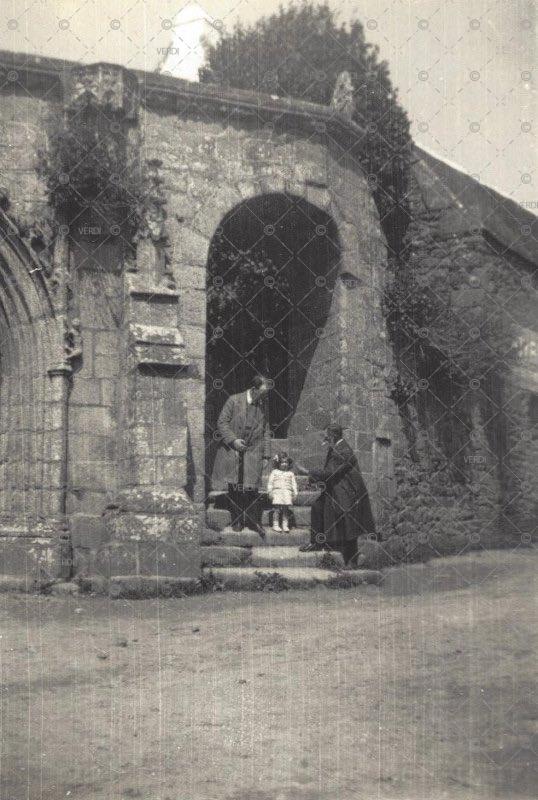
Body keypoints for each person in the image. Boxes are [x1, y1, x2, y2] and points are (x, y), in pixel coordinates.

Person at [297, 423, 377, 565]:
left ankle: (352, 561)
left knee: (348, 523)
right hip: (336, 488)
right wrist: (314, 479)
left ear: (333, 436)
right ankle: (317, 542)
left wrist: (307, 472)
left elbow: (331, 472)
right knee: (317, 507)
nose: (325, 440)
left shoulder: (343, 450)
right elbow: (330, 472)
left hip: (347, 492)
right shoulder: (336, 447)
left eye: (327, 437)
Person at [211, 375, 271, 534]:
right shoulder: (233, 400)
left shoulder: (263, 405)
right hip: (234, 450)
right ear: (253, 389)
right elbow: (221, 422)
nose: (265, 396)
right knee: (235, 486)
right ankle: (237, 520)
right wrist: (233, 440)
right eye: (263, 392)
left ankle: (253, 521)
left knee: (252, 488)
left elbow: (266, 430)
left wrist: (266, 455)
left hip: (254, 451)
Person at [267, 452, 298, 532]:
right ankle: (276, 524)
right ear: (278, 463)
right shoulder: (274, 472)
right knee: (276, 509)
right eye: (282, 462)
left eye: (286, 462)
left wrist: (295, 492)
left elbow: (294, 484)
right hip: (277, 492)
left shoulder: (290, 473)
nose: (284, 464)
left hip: (287, 492)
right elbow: (270, 483)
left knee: (285, 509)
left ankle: (285, 525)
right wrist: (270, 492)